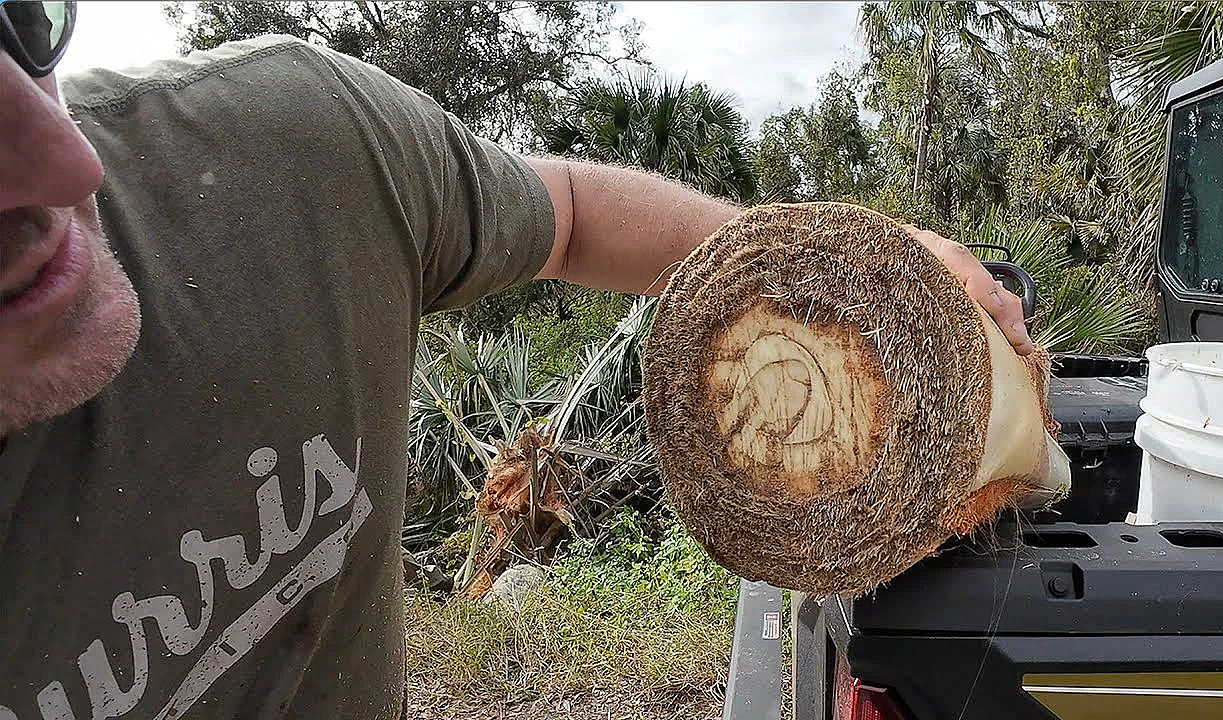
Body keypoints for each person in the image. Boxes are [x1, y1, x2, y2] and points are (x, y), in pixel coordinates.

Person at [0, 2, 1033, 718]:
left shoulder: (287, 152)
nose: (65, 158)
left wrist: (854, 271)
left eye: (18, 22)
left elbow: (571, 212)